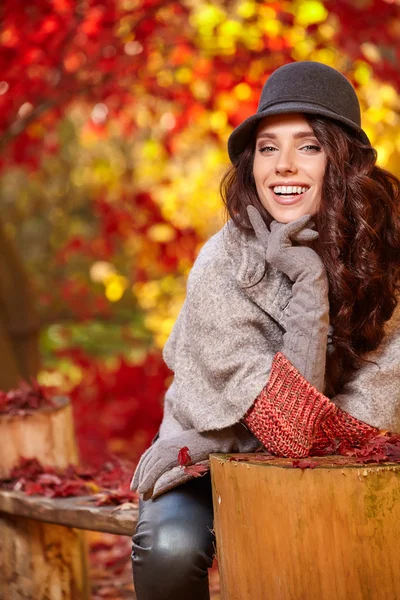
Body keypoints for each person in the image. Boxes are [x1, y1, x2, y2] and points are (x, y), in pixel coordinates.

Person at [130, 61, 400, 600]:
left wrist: (309, 277)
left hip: (313, 457)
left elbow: (353, 423)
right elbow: (293, 430)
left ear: (343, 160)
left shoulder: (389, 261)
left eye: (308, 146)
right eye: (268, 147)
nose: (283, 166)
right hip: (197, 463)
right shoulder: (221, 263)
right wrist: (207, 448)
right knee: (170, 551)